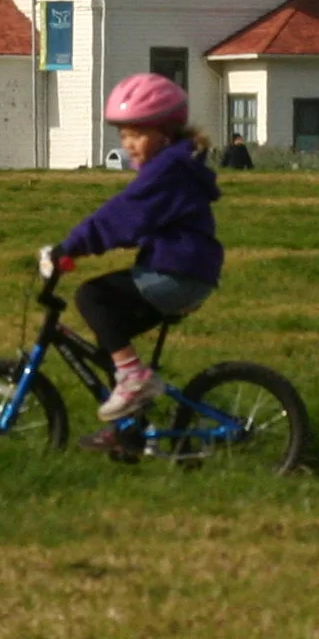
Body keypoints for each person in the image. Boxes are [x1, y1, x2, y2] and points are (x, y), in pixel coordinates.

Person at [39, 73, 223, 427]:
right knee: (113, 344)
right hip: (184, 273)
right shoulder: (170, 167)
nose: (129, 144)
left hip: (179, 274)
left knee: (93, 297)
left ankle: (135, 382)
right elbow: (130, 225)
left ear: (165, 134)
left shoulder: (168, 171)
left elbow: (121, 216)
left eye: (138, 134)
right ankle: (131, 433)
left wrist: (70, 247)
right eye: (124, 135)